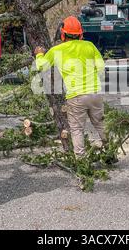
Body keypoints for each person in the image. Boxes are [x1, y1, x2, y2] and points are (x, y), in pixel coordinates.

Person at [34, 16, 107, 159]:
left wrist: (39, 54)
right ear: (80, 34)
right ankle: (110, 150)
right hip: (95, 93)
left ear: (63, 34)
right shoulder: (89, 46)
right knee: (100, 124)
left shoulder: (56, 50)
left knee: (77, 129)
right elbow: (101, 68)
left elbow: (42, 66)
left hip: (76, 96)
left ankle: (81, 161)